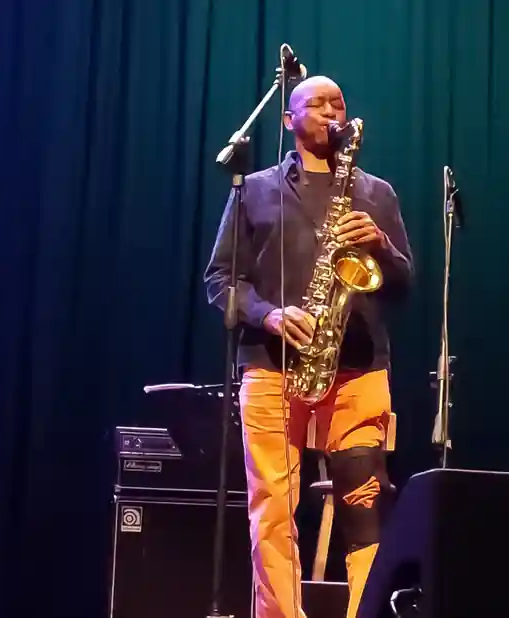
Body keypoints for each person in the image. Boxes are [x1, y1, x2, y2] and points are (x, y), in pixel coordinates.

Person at [204, 75, 414, 618]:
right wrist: (269, 315)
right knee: (273, 510)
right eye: (315, 102)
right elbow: (220, 281)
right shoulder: (252, 188)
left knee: (365, 507)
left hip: (358, 367)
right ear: (287, 119)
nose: (329, 110)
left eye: (338, 102)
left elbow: (404, 285)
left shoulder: (377, 193)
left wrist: (383, 246)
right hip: (273, 367)